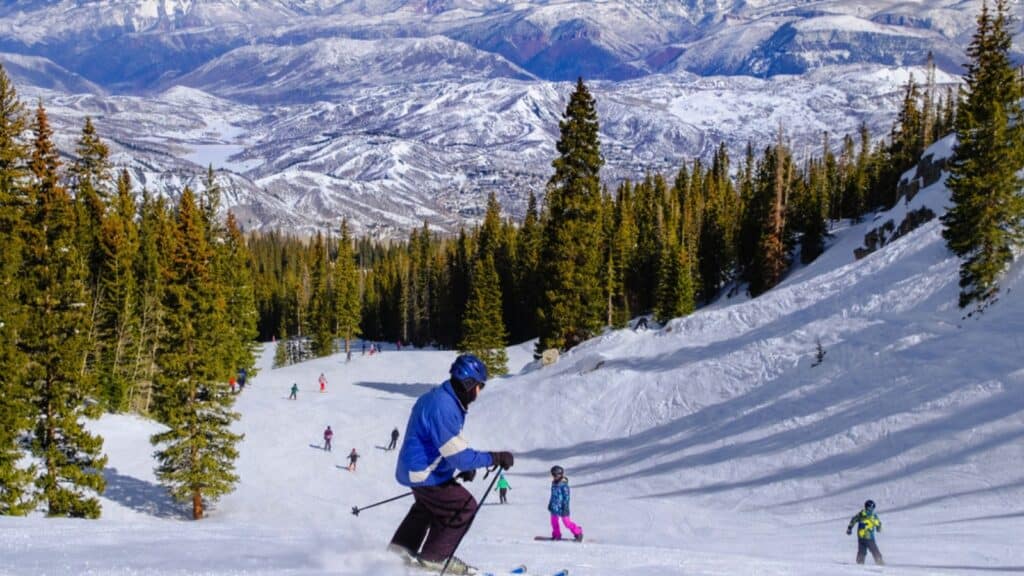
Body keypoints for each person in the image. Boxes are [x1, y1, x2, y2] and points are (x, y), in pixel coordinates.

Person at [388, 354, 515, 575]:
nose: (479, 392)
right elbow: (459, 456)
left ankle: (399, 552)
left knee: (429, 506)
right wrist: (494, 457)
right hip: (424, 473)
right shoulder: (444, 407)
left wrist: (458, 468)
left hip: (415, 470)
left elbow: (440, 446)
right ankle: (434, 559)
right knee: (465, 506)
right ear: (469, 383)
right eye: (480, 386)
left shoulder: (441, 398)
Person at [548, 465, 583, 542]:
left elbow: (566, 498)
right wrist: (550, 504)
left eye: (554, 475)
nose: (553, 477)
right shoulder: (554, 484)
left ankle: (578, 532)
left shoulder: (564, 486)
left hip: (563, 507)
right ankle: (556, 535)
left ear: (559, 475)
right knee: (554, 522)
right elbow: (553, 495)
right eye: (552, 475)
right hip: (554, 506)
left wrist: (565, 506)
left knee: (566, 523)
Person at [847, 499, 884, 565]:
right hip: (869, 536)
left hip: (860, 536)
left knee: (862, 550)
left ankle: (860, 562)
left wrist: (849, 528)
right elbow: (877, 523)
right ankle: (879, 561)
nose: (872, 509)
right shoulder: (872, 516)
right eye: (872, 507)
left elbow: (853, 520)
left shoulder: (860, 514)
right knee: (874, 549)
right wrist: (879, 528)